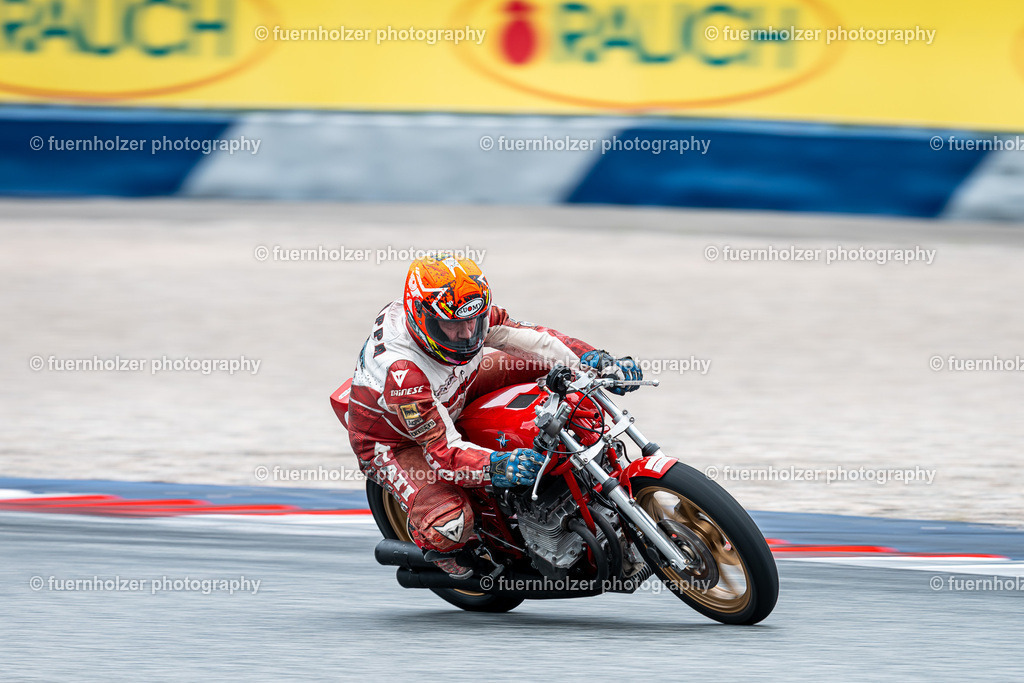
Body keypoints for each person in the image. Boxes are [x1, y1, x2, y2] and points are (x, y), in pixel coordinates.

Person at [347, 254, 641, 577]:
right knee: (451, 524)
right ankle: (443, 553)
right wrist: (499, 466)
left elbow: (536, 340)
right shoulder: (403, 373)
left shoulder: (465, 316)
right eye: (453, 326)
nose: (467, 334)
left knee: (549, 363)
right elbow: (442, 452)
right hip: (397, 440)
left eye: (474, 322)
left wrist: (596, 359)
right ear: (421, 320)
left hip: (455, 387)